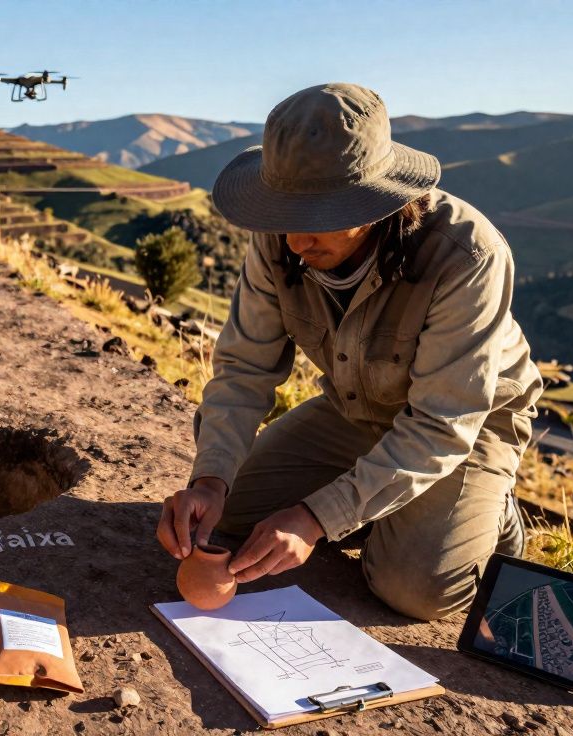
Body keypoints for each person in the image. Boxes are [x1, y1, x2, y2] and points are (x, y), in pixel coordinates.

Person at [156, 83, 543, 621]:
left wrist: (316, 517)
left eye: (315, 217)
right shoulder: (279, 238)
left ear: (379, 202)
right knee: (231, 518)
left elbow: (442, 424)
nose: (294, 242)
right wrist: (210, 479)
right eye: (284, 213)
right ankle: (383, 508)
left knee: (413, 589)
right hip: (354, 410)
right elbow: (245, 369)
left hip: (465, 427)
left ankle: (488, 515)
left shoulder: (467, 256)